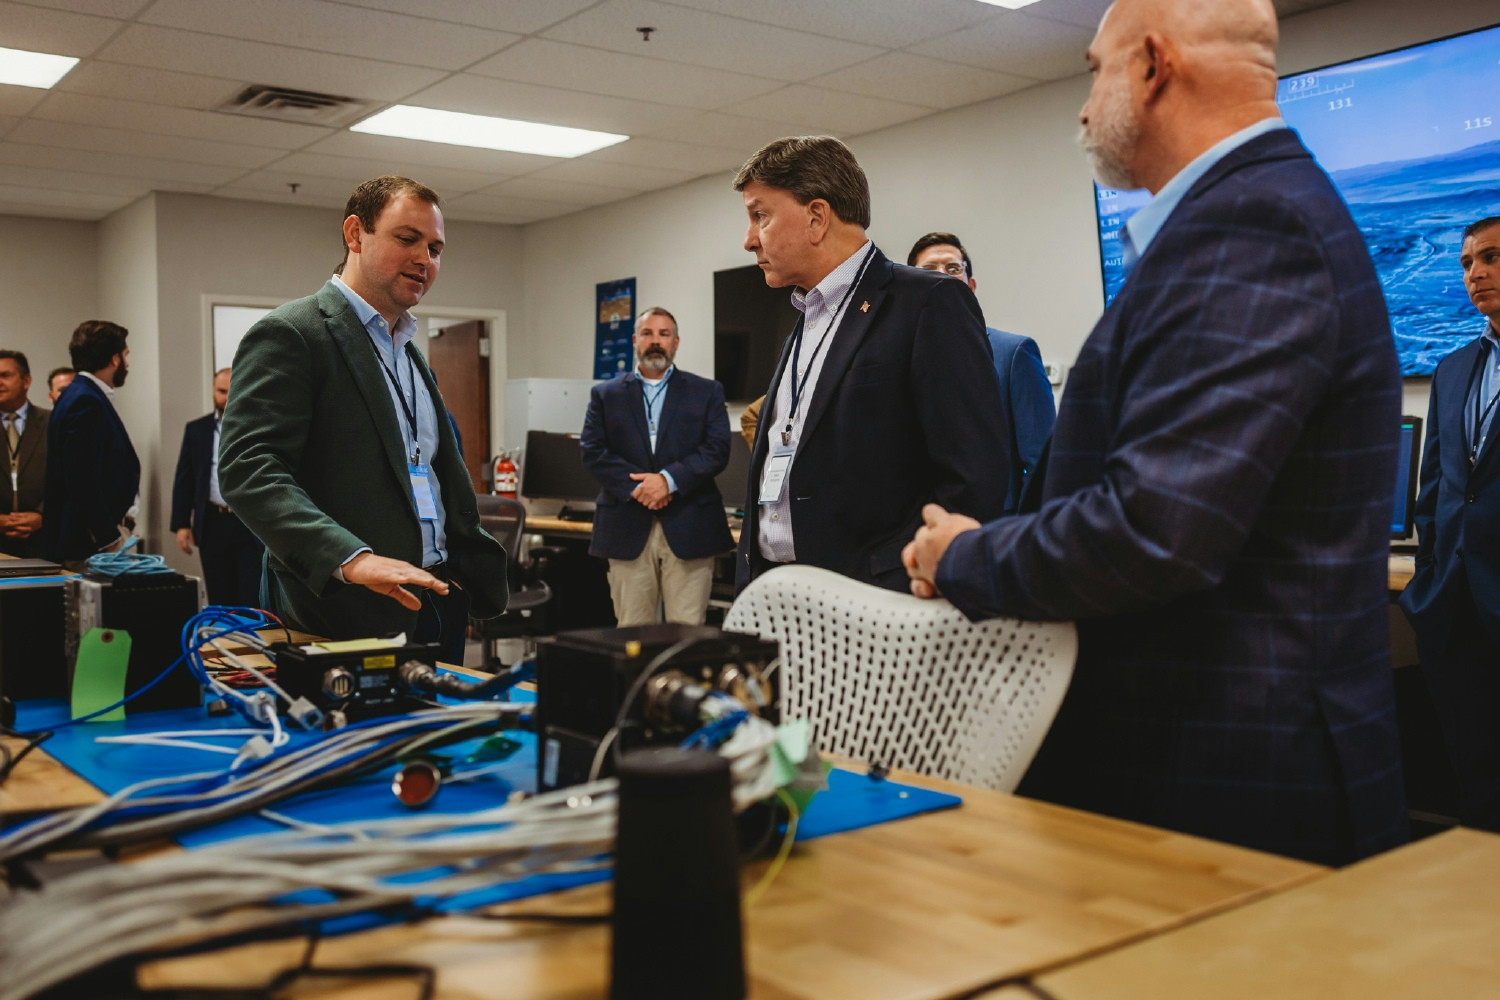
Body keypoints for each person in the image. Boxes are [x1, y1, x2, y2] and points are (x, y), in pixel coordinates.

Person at [903, 0, 1407, 865]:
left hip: (1234, 769)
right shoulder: (1243, 216)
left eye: (1094, 70)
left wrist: (966, 558)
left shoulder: (1251, 226)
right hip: (1210, 754)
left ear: (1152, 64)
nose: (1083, 105)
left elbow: (1154, 531)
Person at [219, 175, 507, 665]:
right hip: (344, 612)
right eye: (407, 238)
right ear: (355, 234)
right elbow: (248, 469)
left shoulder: (409, 353)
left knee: (438, 740)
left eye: (436, 248)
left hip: (436, 599)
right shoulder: (294, 333)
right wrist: (352, 560)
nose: (425, 259)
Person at [732, 135, 1010, 594]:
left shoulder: (929, 303)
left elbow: (973, 477)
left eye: (760, 215)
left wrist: (931, 579)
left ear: (816, 217)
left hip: (878, 599)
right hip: (777, 592)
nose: (748, 239)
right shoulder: (805, 322)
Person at [1398, 216, 1500, 833]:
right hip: (1454, 608)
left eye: (1490, 258)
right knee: (1477, 782)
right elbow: (1436, 486)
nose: (1475, 274)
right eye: (1465, 263)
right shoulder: (1454, 368)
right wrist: (1428, 578)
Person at [581, 307, 734, 626]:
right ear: (635, 340)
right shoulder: (605, 395)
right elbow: (593, 451)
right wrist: (639, 487)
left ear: (676, 342)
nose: (656, 341)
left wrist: (667, 481)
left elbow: (717, 449)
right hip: (626, 526)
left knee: (687, 631)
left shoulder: (706, 392)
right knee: (632, 633)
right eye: (648, 334)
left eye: (664, 335)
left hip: (691, 523)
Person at [907, 232, 1056, 513]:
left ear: (970, 285)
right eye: (927, 271)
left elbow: (1043, 464)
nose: (943, 277)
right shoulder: (897, 359)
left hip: (997, 529)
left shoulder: (1014, 354)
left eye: (953, 268)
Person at [42, 321, 139, 570]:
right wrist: (109, 537)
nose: (127, 365)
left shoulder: (80, 395)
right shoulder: (85, 400)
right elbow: (81, 479)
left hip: (91, 537)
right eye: (126, 356)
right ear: (114, 359)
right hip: (90, 543)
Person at [170, 368, 264, 607]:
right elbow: (185, 479)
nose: (227, 397)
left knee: (251, 596)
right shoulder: (197, 430)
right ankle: (222, 642)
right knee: (219, 597)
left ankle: (251, 643)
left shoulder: (260, 427)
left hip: (250, 523)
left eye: (233, 392)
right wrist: (181, 524)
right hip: (213, 523)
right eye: (222, 391)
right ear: (213, 392)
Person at [0, 350, 49, 558]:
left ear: (26, 380)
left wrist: (43, 516)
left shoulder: (53, 423)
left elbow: (69, 479)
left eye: (5, 375)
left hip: (45, 543)